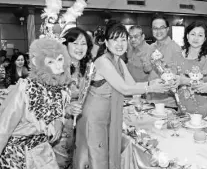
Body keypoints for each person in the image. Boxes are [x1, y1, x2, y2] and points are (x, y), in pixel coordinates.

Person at [73, 22, 171, 169]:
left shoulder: (118, 61)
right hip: (93, 118)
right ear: (106, 42)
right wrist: (150, 88)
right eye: (114, 39)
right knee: (96, 158)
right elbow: (125, 89)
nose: (120, 44)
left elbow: (131, 85)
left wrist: (154, 83)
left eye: (123, 40)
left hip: (106, 116)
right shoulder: (103, 61)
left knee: (103, 155)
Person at [0, 38, 75, 169]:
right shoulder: (25, 88)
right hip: (17, 155)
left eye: (60, 59)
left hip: (42, 152)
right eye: (50, 62)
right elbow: (4, 127)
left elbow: (58, 112)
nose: (58, 65)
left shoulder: (62, 89)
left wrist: (60, 120)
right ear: (37, 62)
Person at [52, 27, 92, 169]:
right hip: (61, 128)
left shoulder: (88, 68)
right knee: (60, 163)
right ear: (66, 44)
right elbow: (46, 101)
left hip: (82, 127)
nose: (80, 48)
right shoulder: (57, 68)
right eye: (75, 43)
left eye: (83, 43)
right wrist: (66, 108)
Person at [176, 21, 207, 118]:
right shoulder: (178, 55)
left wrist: (184, 80)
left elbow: (206, 82)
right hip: (182, 108)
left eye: (200, 35)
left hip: (203, 109)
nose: (196, 38)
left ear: (205, 38)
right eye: (193, 34)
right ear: (187, 36)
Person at [147, 14, 184, 108]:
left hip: (167, 102)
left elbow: (177, 75)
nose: (158, 31)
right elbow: (147, 69)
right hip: (151, 98)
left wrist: (161, 63)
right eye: (155, 28)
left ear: (167, 29)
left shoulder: (175, 48)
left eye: (162, 28)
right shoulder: (151, 47)